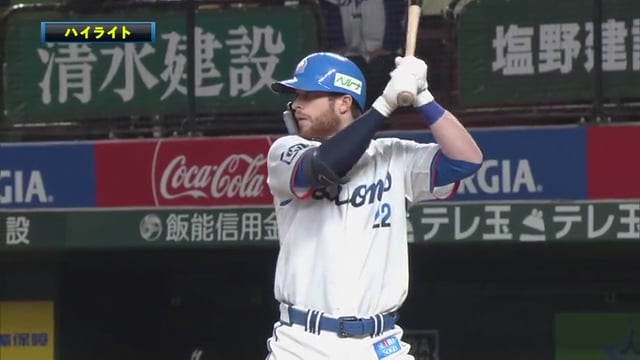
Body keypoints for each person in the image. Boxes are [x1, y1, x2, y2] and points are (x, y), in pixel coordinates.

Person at [264, 52, 483, 359]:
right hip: (302, 343)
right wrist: (385, 104)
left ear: (343, 102)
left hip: (379, 342)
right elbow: (326, 165)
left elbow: (466, 161)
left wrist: (424, 97)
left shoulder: (392, 155)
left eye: (308, 95)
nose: (297, 104)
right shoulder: (286, 151)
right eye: (296, 96)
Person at [320, 0, 406, 109]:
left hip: (384, 53)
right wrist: (338, 49)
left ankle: (373, 115)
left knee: (377, 71)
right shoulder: (332, 3)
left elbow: (397, 25)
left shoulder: (391, 3)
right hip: (349, 54)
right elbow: (332, 34)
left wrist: (388, 48)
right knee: (347, 73)